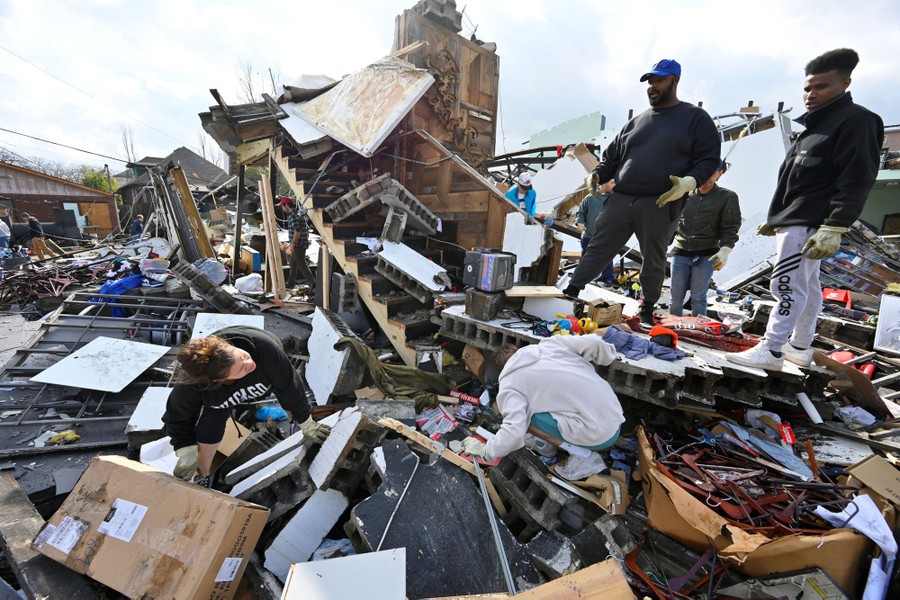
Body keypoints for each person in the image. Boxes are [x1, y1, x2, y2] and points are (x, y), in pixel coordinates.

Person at [727, 48, 883, 371]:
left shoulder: (857, 121)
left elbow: (858, 177)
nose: (810, 94)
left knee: (784, 284)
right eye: (807, 87)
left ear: (845, 84)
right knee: (808, 288)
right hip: (797, 220)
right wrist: (776, 219)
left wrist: (835, 225)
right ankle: (799, 346)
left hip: (811, 223)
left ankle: (771, 349)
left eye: (821, 87)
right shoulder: (814, 128)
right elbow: (792, 178)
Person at [563, 59, 721, 327]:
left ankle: (646, 307)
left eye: (659, 80)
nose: (652, 86)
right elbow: (612, 157)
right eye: (650, 82)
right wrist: (598, 174)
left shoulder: (695, 119)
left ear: (675, 81)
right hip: (622, 198)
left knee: (653, 258)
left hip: (660, 200)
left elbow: (708, 159)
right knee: (598, 247)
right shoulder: (636, 122)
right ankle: (571, 292)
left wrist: (690, 182)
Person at [162, 326, 331, 479]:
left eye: (242, 356)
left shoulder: (265, 351)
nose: (249, 364)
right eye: (241, 367)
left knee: (286, 400)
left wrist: (306, 422)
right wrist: (185, 448)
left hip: (266, 376)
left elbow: (290, 387)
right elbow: (177, 416)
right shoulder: (194, 385)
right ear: (218, 380)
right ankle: (202, 476)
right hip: (222, 398)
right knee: (212, 422)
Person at [461, 330, 626, 481]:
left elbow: (514, 430)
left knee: (526, 417)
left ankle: (583, 456)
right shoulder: (551, 344)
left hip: (599, 436)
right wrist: (608, 355)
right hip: (615, 416)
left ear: (502, 368)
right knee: (541, 402)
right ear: (518, 350)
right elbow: (594, 342)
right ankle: (548, 442)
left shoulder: (510, 384)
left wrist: (486, 451)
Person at [669, 161, 741, 316]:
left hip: (707, 254)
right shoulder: (684, 193)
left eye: (712, 171)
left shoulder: (727, 197)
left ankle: (698, 332)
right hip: (680, 251)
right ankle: (669, 332)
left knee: (698, 298)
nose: (707, 175)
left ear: (720, 173)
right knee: (675, 298)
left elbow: (731, 227)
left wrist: (725, 250)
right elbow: (672, 219)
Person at [576, 179, 617, 285]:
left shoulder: (614, 199)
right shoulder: (590, 198)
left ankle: (607, 277)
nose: (615, 185)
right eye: (612, 182)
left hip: (606, 236)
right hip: (588, 235)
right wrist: (580, 222)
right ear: (603, 184)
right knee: (586, 257)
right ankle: (581, 278)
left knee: (606, 257)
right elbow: (581, 212)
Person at [281, 197, 314, 292]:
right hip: (301, 244)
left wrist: (292, 244)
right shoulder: (297, 214)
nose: (282, 209)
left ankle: (313, 283)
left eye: (283, 207)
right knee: (293, 264)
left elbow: (297, 232)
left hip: (298, 245)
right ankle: (290, 283)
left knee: (301, 265)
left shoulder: (293, 216)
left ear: (286, 205)